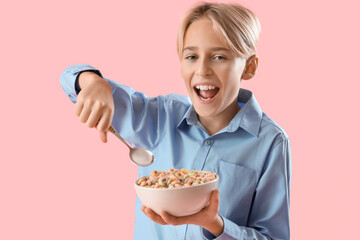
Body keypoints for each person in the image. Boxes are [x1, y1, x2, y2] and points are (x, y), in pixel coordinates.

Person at [60, 2, 291, 239]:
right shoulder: (160, 117)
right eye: (191, 56)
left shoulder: (271, 142)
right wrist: (94, 82)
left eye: (219, 57)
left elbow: (273, 236)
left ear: (249, 67)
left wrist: (216, 225)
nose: (202, 70)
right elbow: (69, 77)